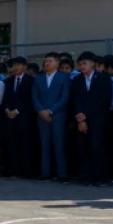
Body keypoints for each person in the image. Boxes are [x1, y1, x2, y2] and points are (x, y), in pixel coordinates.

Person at [70, 52, 113, 185]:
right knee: (82, 147)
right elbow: (74, 99)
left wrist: (87, 114)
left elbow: (103, 100)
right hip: (81, 119)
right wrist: (80, 118)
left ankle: (99, 176)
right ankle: (84, 176)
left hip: (97, 119)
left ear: (92, 64)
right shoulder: (77, 80)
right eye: (80, 64)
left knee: (97, 147)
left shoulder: (103, 78)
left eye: (85, 64)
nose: (82, 67)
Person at [32, 53, 71, 182]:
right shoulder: (38, 78)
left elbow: (64, 97)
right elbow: (34, 97)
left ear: (57, 62)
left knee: (59, 143)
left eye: (49, 61)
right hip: (41, 116)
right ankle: (45, 171)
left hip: (57, 115)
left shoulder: (64, 78)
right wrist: (41, 111)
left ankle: (62, 172)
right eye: (45, 61)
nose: (46, 63)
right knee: (44, 144)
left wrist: (50, 111)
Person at [2, 57, 34, 178]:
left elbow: (29, 99)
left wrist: (17, 110)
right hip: (9, 117)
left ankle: (25, 171)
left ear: (25, 67)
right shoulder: (8, 81)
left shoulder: (31, 81)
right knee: (11, 143)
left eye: (18, 65)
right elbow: (4, 98)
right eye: (14, 65)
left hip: (24, 117)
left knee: (25, 144)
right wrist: (7, 110)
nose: (15, 67)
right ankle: (11, 170)